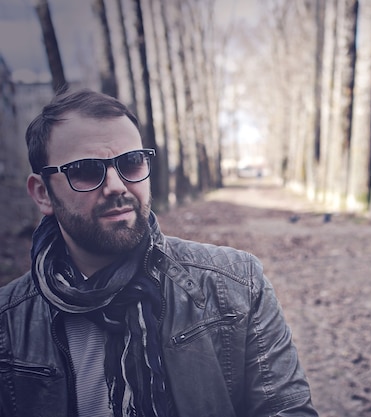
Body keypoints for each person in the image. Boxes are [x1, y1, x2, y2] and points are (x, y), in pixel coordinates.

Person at [0, 89, 318, 417]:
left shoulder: (236, 285)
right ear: (43, 193)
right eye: (85, 170)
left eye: (131, 163)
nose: (116, 185)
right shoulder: (7, 325)